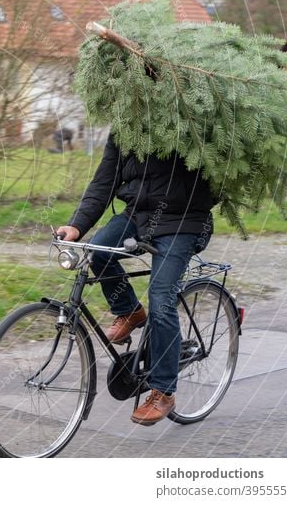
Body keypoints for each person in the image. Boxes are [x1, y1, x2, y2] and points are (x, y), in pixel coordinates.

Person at [56, 133, 216, 426]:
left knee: (161, 298)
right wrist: (77, 225)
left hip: (184, 220)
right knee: (99, 253)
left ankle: (163, 390)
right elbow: (104, 181)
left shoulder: (191, 119)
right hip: (138, 216)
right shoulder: (126, 127)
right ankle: (128, 310)